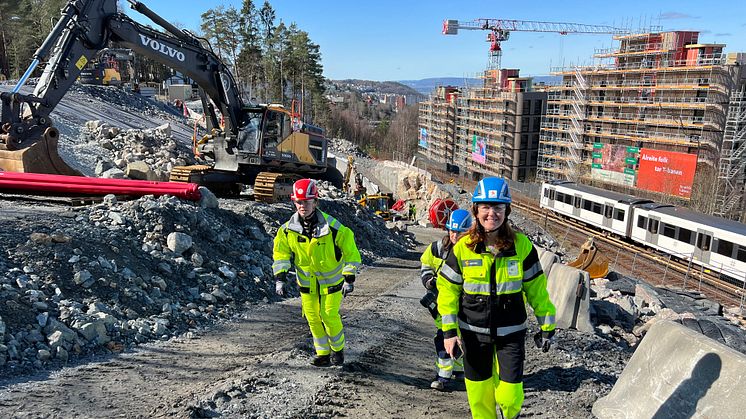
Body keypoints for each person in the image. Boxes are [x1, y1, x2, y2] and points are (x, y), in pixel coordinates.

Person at [437, 177, 557, 419]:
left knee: (510, 396)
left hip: (510, 335)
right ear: (476, 210)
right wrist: (449, 332)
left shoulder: (521, 246)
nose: (492, 213)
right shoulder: (463, 248)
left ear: (506, 211)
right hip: (472, 334)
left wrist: (547, 325)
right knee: (479, 398)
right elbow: (448, 291)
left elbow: (537, 289)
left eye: (498, 207)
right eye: (485, 207)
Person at [272, 178, 361, 367]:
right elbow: (281, 253)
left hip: (332, 283)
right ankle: (322, 354)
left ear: (315, 201)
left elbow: (351, 252)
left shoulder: (334, 228)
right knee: (312, 317)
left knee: (328, 316)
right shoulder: (287, 230)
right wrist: (280, 277)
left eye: (306, 201)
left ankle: (338, 351)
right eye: (298, 202)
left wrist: (349, 276)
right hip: (307, 285)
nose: (302, 206)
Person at [420, 208, 473, 391]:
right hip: (443, 305)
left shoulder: (472, 252)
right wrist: (428, 280)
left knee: (464, 338)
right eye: (452, 231)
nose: (455, 235)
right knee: (443, 337)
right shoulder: (437, 249)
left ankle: (459, 370)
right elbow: (426, 263)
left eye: (459, 232)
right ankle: (443, 377)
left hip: (466, 306)